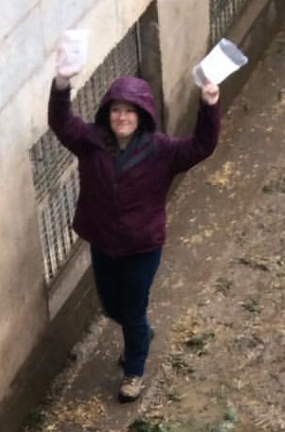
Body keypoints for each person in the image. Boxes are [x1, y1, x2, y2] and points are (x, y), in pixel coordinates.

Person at [48, 49, 221, 403]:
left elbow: (202, 145)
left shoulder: (161, 150)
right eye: (116, 110)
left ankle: (134, 370)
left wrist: (209, 104)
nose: (122, 117)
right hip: (103, 242)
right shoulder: (91, 142)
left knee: (133, 309)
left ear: (142, 115)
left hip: (142, 246)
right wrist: (62, 84)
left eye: (129, 111)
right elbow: (61, 122)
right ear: (107, 113)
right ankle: (138, 333)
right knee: (112, 307)